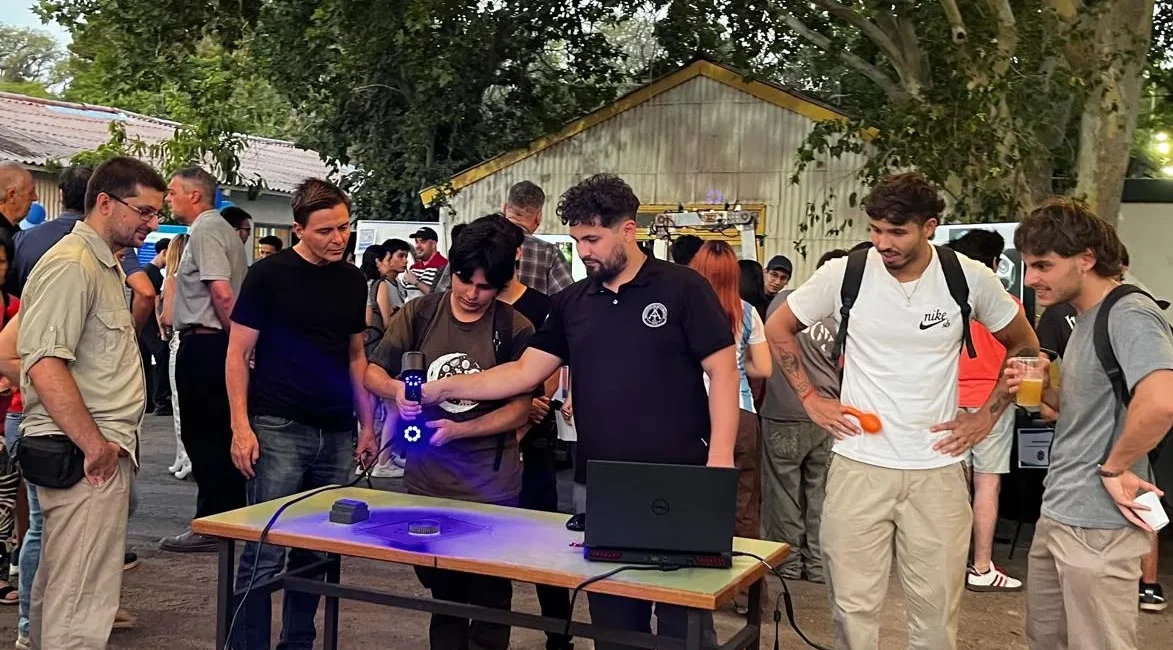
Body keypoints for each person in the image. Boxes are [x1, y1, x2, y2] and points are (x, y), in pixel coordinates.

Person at [418, 174, 739, 650]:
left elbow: (724, 372)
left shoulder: (683, 288)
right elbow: (523, 372)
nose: (583, 251)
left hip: (682, 478)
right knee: (613, 623)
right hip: (603, 484)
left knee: (683, 623)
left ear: (628, 230)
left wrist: (721, 460)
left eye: (592, 239)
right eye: (575, 240)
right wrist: (443, 386)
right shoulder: (571, 303)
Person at [765, 172, 1037, 649]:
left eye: (897, 232)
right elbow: (780, 327)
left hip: (938, 469)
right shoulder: (845, 273)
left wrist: (985, 417)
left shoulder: (967, 277)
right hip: (858, 466)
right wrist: (811, 398)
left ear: (928, 226)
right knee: (852, 611)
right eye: (875, 230)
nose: (883, 242)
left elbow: (1025, 346)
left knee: (935, 618)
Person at [364, 214, 535, 650]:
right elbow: (372, 372)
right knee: (445, 596)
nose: (474, 294)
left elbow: (520, 409)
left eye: (486, 287)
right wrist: (396, 392)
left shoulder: (514, 328)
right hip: (428, 483)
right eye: (465, 281)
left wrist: (462, 431)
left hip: (491, 486)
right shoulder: (419, 313)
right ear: (452, 271)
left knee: (492, 596)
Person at [1010, 200, 1173, 650]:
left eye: (1043, 265)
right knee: (1047, 639)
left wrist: (1115, 468)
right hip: (1060, 512)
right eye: (1028, 265)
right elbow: (1082, 410)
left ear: (1086, 258)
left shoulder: (1130, 312)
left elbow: (1161, 402)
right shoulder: (1084, 317)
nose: (1031, 279)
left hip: (1099, 524)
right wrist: (1043, 387)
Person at [16, 156, 163, 649]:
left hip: (87, 452)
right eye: (144, 211)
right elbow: (43, 363)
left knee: (65, 592)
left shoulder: (99, 264)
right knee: (79, 604)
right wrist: (95, 446)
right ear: (105, 202)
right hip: (83, 456)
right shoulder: (73, 264)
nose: (153, 223)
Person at [227, 178, 376, 650]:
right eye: (326, 230)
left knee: (317, 554)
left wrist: (368, 425)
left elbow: (357, 356)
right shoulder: (268, 276)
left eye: (344, 227)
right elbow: (236, 355)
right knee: (262, 550)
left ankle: (299, 643)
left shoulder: (354, 280)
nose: (338, 238)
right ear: (298, 230)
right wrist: (240, 427)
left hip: (336, 431)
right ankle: (246, 645)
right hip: (277, 427)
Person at [160, 166, 249, 553]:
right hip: (216, 342)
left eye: (172, 191)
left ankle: (214, 522)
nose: (167, 198)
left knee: (204, 434)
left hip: (209, 342)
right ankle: (225, 518)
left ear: (194, 195)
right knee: (215, 433)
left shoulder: (207, 229)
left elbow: (222, 294)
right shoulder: (216, 230)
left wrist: (238, 346)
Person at [759, 247, 849, 583]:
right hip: (828, 416)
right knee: (821, 494)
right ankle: (817, 565)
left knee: (783, 493)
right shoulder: (846, 313)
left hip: (783, 413)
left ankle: (788, 563)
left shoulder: (783, 302)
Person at [690, 240, 771, 613]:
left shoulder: (688, 308)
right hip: (743, 415)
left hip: (698, 413)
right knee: (744, 507)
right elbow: (765, 368)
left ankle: (697, 584)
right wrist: (739, 370)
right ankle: (746, 594)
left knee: (695, 503)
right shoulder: (750, 312)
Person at [945, 230, 1025, 593]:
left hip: (947, 400)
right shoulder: (1008, 305)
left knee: (948, 483)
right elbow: (1023, 357)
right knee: (987, 484)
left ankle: (945, 562)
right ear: (995, 262)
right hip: (994, 403)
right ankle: (980, 566)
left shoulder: (945, 302)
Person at [503, 181, 574, 297]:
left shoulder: (479, 240)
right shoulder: (549, 253)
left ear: (505, 208)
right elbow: (567, 300)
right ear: (538, 217)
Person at [159, 234, 192, 480]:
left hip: (179, 341)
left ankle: (184, 456)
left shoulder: (172, 280)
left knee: (179, 405)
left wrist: (161, 320)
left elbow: (168, 317)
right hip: (199, 341)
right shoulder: (199, 279)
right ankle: (185, 457)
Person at [140, 238, 172, 416]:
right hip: (151, 325)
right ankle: (160, 400)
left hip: (145, 325)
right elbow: (155, 303)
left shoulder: (147, 271)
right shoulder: (154, 274)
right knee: (162, 357)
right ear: (164, 252)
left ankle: (149, 402)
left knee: (145, 362)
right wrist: (161, 328)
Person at [402, 226, 447, 295]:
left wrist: (416, 281)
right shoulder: (413, 268)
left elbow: (441, 296)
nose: (417, 246)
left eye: (423, 242)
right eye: (416, 242)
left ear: (433, 244)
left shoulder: (444, 266)